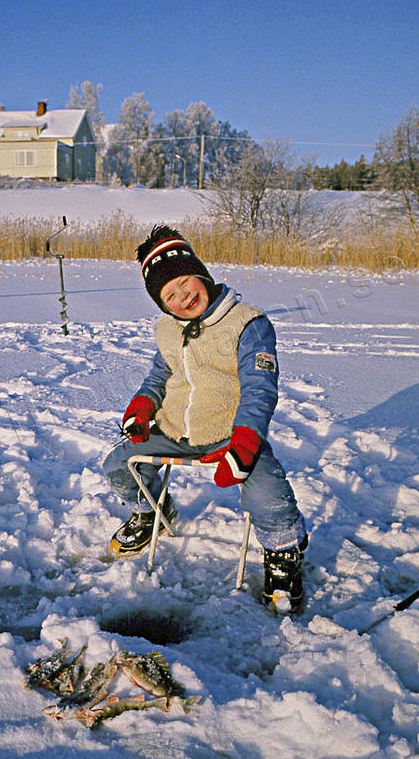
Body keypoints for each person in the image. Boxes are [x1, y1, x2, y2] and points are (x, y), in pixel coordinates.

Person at [103, 225, 308, 612]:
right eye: (170, 296)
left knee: (266, 489)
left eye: (185, 283)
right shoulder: (167, 328)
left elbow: (259, 388)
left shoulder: (247, 323)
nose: (183, 298)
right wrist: (142, 407)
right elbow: (159, 375)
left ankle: (283, 551)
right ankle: (152, 512)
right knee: (118, 464)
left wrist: (246, 442)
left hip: (231, 433)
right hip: (176, 429)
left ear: (202, 275)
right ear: (162, 304)